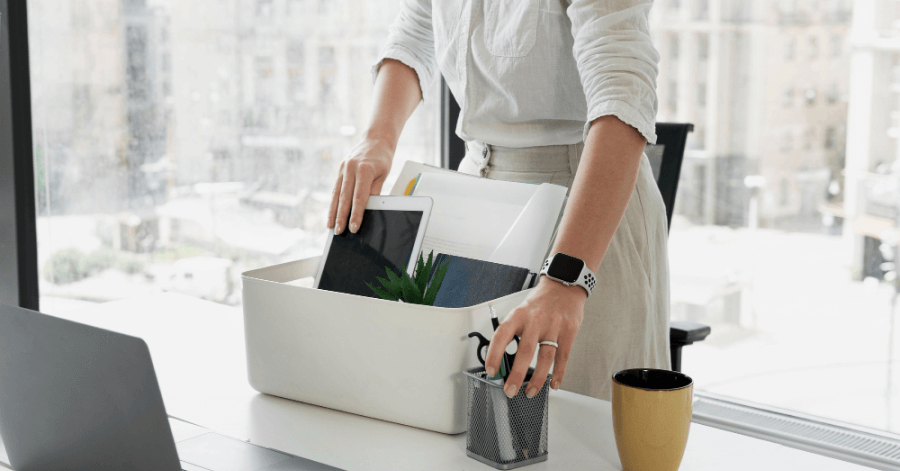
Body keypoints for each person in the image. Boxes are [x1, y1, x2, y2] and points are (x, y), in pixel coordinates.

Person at [327, 0, 669, 401]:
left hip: (583, 209)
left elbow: (622, 94)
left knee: (580, 426)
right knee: (471, 420)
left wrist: (567, 278)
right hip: (477, 194)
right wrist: (378, 139)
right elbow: (418, 28)